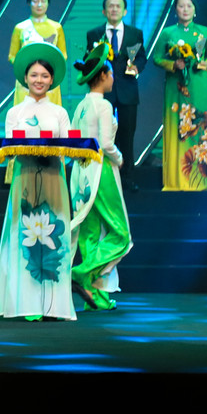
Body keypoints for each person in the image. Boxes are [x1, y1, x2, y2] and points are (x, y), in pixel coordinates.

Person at [0, 42, 74, 321]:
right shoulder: (15, 112)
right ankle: (26, 303)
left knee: (53, 235)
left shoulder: (59, 112)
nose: (39, 80)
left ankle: (53, 304)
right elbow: (10, 148)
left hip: (53, 179)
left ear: (52, 80)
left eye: (44, 76)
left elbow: (68, 147)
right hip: (24, 178)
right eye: (34, 75)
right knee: (24, 236)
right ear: (25, 78)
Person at [68, 42, 132, 311]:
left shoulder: (80, 106)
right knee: (121, 235)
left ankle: (97, 297)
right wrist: (120, 158)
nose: (113, 78)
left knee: (90, 232)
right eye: (111, 73)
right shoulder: (103, 106)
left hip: (81, 172)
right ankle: (81, 272)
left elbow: (72, 140)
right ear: (103, 76)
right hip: (100, 169)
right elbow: (106, 143)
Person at [154, 0, 207, 191]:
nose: (185, 9)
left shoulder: (204, 32)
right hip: (176, 87)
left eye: (189, 6)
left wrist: (206, 63)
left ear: (195, 10)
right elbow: (157, 58)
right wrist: (173, 64)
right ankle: (175, 180)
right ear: (176, 10)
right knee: (177, 128)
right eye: (181, 6)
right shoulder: (168, 33)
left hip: (198, 85)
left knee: (199, 127)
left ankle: (199, 180)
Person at [85, 0, 146, 190]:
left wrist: (137, 68)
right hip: (103, 91)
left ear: (124, 11)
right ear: (104, 11)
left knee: (127, 134)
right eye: (110, 6)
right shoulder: (94, 34)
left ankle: (127, 178)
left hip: (128, 90)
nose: (114, 9)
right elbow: (88, 59)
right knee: (102, 133)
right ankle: (101, 178)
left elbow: (141, 57)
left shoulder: (135, 33)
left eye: (118, 6)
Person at [8, 0, 66, 106]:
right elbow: (12, 56)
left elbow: (63, 55)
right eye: (35, 1)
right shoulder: (20, 28)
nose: (39, 5)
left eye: (43, 1)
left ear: (48, 3)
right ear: (29, 2)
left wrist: (46, 69)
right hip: (27, 82)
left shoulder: (56, 27)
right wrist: (28, 68)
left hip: (49, 82)